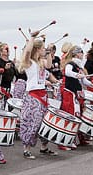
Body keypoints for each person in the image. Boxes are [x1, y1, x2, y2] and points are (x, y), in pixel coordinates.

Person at [18, 31, 60, 159]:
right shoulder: (29, 62)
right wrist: (32, 38)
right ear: (37, 49)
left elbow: (49, 65)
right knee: (33, 122)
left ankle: (44, 147)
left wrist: (48, 51)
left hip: (43, 95)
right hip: (33, 96)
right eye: (42, 49)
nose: (44, 50)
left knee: (45, 122)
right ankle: (27, 148)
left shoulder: (40, 63)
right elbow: (27, 51)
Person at [60, 45, 93, 149]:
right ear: (76, 54)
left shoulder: (79, 67)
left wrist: (90, 84)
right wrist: (77, 75)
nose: (82, 54)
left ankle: (78, 138)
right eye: (81, 52)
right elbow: (68, 72)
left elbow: (83, 80)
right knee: (71, 116)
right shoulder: (71, 64)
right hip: (70, 93)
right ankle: (65, 141)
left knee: (78, 116)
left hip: (76, 94)